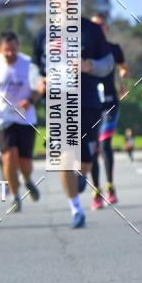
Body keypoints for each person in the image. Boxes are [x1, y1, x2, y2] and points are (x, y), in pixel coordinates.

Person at [34, 15, 113, 228]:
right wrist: (38, 81)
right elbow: (34, 68)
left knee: (86, 160)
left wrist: (89, 65)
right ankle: (76, 209)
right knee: (65, 155)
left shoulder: (91, 29)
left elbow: (108, 64)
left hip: (87, 102)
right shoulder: (44, 32)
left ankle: (82, 175)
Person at [0, 31, 41, 213]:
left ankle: (27, 179)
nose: (10, 53)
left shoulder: (28, 64)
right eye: (6, 50)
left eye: (13, 49)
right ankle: (14, 196)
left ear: (18, 47)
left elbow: (40, 86)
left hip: (26, 119)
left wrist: (31, 100)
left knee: (25, 163)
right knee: (9, 157)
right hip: (2, 118)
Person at [89, 14, 129, 208]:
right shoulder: (86, 50)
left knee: (105, 144)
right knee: (93, 147)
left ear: (106, 27)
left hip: (110, 103)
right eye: (94, 25)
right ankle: (96, 191)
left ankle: (110, 186)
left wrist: (123, 80)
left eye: (101, 25)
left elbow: (123, 68)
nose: (98, 28)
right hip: (91, 105)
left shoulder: (114, 49)